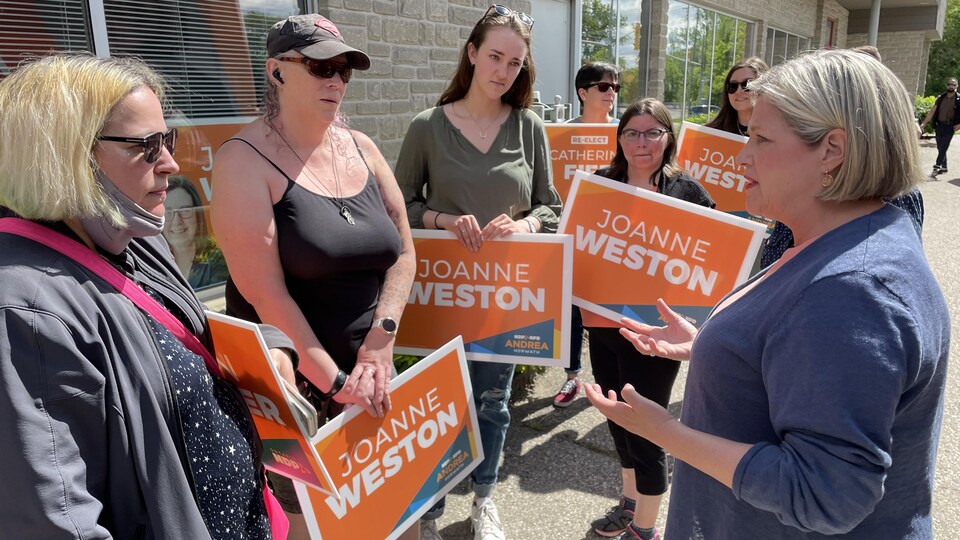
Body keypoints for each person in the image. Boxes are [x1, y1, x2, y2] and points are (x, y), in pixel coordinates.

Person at [587, 49, 950, 539]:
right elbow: (804, 358)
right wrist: (714, 347)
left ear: (832, 150)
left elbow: (825, 493)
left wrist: (665, 433)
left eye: (761, 138)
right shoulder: (847, 239)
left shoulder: (851, 290)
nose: (743, 154)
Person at [0, 53, 297, 539]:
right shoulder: (25, 308)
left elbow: (176, 336)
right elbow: (57, 522)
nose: (171, 163)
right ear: (66, 153)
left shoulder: (134, 235)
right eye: (148, 145)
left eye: (169, 139)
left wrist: (269, 348)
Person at [210, 14, 417, 540]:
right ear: (277, 71)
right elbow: (264, 293)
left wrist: (379, 344)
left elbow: (403, 251)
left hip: (372, 374)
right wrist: (336, 382)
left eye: (345, 70)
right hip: (294, 395)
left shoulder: (363, 147)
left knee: (393, 515)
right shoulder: (242, 161)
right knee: (311, 526)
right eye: (322, 66)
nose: (336, 81)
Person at [395, 5, 561, 539]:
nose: (503, 72)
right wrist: (442, 219)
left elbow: (550, 207)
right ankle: (433, 508)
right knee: (441, 406)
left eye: (515, 63)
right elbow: (400, 205)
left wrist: (528, 228)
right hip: (443, 294)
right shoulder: (428, 126)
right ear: (471, 53)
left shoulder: (530, 127)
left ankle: (484, 499)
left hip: (505, 297)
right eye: (494, 56)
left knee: (492, 403)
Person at [582, 98, 714, 540]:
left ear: (668, 137)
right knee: (616, 418)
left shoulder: (688, 192)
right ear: (619, 139)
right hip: (601, 326)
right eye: (632, 132)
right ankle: (629, 501)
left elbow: (715, 253)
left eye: (652, 132)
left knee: (647, 431)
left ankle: (645, 529)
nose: (642, 142)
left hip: (654, 335)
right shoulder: (600, 182)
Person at [162, 175, 228, 289]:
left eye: (185, 210)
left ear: (198, 215)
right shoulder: (155, 262)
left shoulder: (217, 259)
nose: (177, 221)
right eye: (168, 212)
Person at [705, 57, 769, 136]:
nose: (739, 91)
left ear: (764, 87)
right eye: (733, 86)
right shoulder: (709, 133)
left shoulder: (777, 133)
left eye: (747, 84)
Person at [919, 76, 960, 176]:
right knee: (940, 146)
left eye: (953, 84)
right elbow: (932, 111)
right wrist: (924, 123)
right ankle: (944, 167)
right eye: (949, 84)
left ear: (957, 86)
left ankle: (936, 167)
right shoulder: (941, 98)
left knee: (944, 146)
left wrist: (959, 125)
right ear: (947, 85)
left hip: (950, 127)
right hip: (939, 125)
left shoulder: (959, 100)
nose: (951, 86)